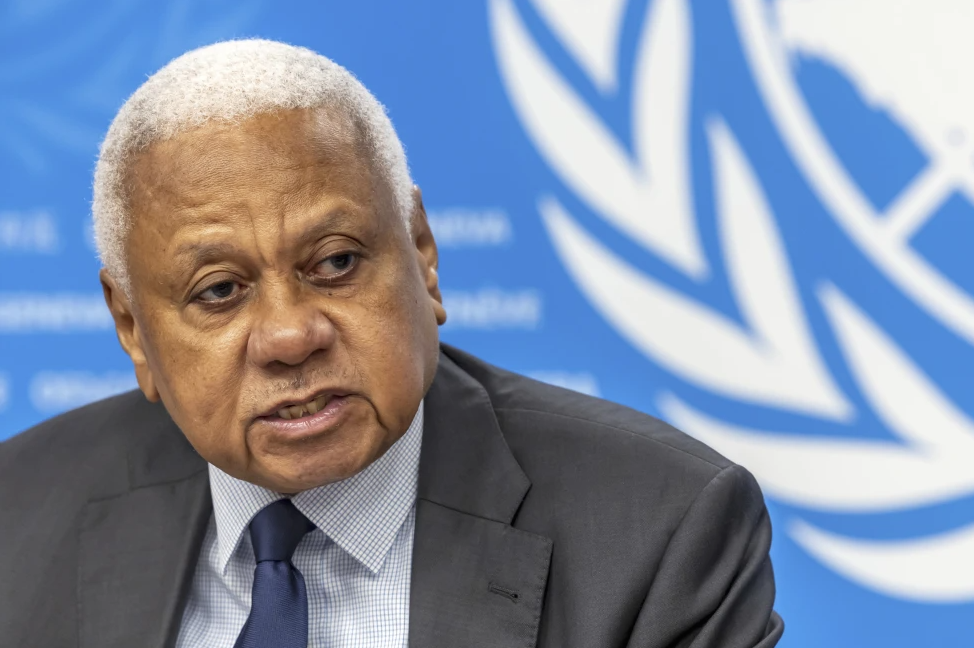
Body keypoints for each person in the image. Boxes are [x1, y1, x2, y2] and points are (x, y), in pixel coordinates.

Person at [0, 39, 783, 648]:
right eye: (219, 291)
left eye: (336, 263)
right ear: (132, 327)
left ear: (422, 253)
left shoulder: (657, 531)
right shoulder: (19, 513)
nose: (290, 336)